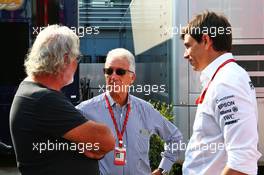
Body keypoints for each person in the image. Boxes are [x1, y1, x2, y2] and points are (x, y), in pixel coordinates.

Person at [9, 24, 115, 175]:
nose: (77, 63)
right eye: (77, 58)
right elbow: (107, 140)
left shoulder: (32, 90)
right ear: (65, 59)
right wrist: (90, 145)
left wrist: (91, 145)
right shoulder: (43, 99)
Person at [76, 48, 183, 175]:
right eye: (109, 71)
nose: (113, 76)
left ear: (132, 78)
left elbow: (175, 138)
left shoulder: (146, 110)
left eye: (120, 72)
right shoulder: (85, 111)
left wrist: (162, 169)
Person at [180, 11, 262, 175]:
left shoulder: (226, 81)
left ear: (206, 40)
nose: (185, 55)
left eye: (188, 46)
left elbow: (241, 163)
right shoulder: (225, 76)